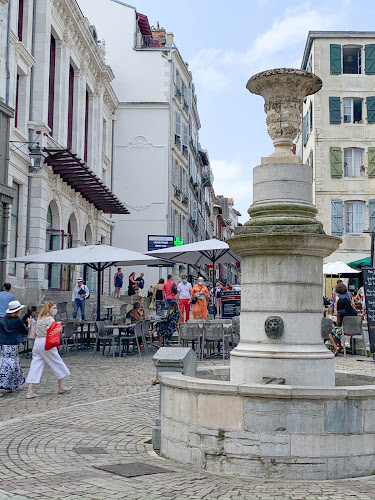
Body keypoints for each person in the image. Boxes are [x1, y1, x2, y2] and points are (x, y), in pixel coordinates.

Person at [26, 302, 71, 399]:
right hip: (46, 342)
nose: (55, 310)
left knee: (35, 364)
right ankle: (61, 386)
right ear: (49, 309)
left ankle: (30, 390)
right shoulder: (49, 319)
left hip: (37, 342)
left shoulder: (40, 318)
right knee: (57, 362)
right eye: (54, 308)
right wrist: (58, 325)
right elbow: (54, 331)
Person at [0, 301, 29, 393]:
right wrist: (29, 324)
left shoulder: (3, 320)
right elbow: (25, 331)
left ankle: (14, 384)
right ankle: (3, 384)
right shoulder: (18, 321)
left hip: (4, 344)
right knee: (11, 364)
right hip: (12, 344)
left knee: (8, 363)